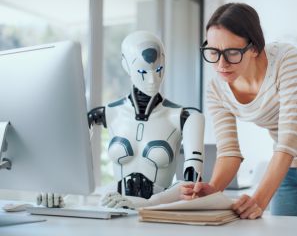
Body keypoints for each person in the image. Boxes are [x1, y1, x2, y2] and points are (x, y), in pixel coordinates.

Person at [180, 3, 297, 236]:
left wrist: (259, 200)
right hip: (289, 169)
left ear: (253, 47)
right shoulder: (217, 88)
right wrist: (212, 191)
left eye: (232, 52)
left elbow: (289, 139)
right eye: (213, 52)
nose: (221, 64)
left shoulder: (286, 59)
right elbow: (229, 152)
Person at [37, 31, 205, 209]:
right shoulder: (107, 113)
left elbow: (193, 185)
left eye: (158, 70)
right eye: (142, 71)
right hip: (113, 206)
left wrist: (146, 203)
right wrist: (56, 188)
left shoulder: (186, 117)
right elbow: (71, 160)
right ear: (126, 65)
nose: (152, 80)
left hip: (158, 212)